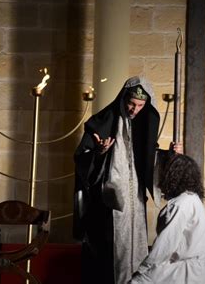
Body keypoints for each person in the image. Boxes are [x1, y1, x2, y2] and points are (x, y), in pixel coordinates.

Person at [73, 76, 180, 284]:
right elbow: (81, 159)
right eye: (131, 104)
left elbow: (149, 159)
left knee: (136, 256)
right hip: (108, 207)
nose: (134, 109)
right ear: (123, 98)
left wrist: (169, 155)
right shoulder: (103, 121)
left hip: (135, 206)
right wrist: (100, 152)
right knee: (110, 260)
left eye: (140, 106)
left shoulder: (142, 125)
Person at [130, 154, 205, 284]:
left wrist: (142, 270)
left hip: (183, 274)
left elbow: (166, 243)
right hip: (199, 274)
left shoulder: (181, 204)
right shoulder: (193, 200)